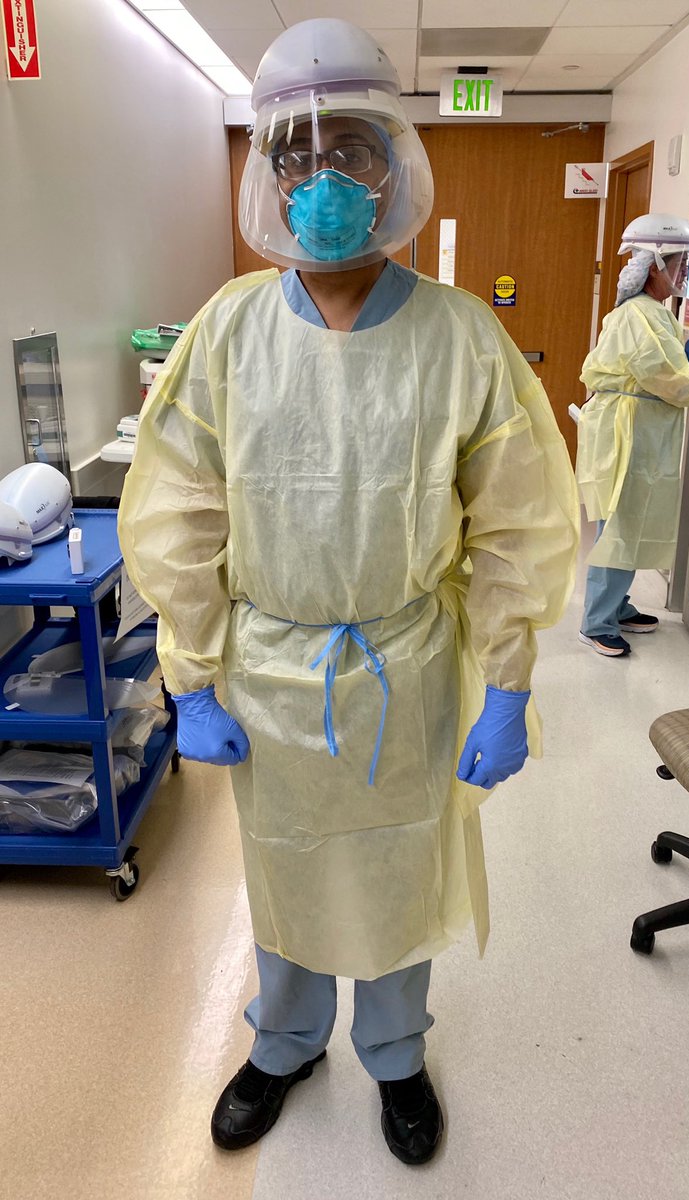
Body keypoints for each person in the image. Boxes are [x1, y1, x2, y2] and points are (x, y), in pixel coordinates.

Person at [117, 17, 579, 1167]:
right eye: (297, 157)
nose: (324, 180)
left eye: (353, 152)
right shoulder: (224, 333)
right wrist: (192, 672)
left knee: (395, 868)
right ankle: (282, 1042)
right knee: (284, 865)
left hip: (405, 663)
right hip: (267, 671)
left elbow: (517, 522)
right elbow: (176, 511)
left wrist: (510, 682)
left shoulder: (461, 340)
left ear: (394, 166)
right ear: (268, 175)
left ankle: (395, 1053)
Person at [576, 213, 689, 658]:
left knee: (630, 522)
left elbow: (661, 365)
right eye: (676, 263)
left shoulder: (652, 313)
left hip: (639, 430)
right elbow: (668, 380)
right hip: (627, 432)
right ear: (654, 264)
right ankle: (596, 622)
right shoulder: (640, 315)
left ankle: (617, 606)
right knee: (618, 526)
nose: (681, 273)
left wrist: (684, 356)